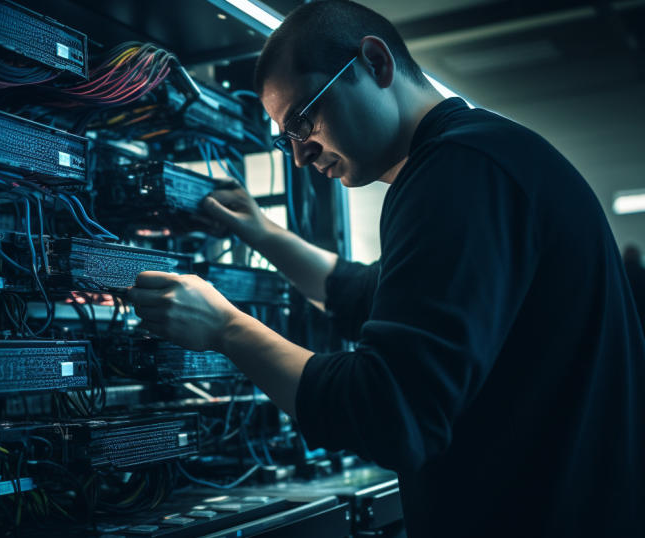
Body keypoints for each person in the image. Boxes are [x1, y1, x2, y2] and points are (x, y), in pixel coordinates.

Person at [126, 1, 645, 536]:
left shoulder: (458, 170)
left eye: (303, 120)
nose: (300, 156)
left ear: (374, 64)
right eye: (286, 138)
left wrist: (226, 329)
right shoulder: (484, 156)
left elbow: (389, 411)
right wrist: (264, 233)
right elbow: (365, 294)